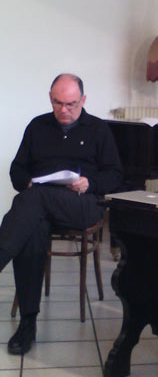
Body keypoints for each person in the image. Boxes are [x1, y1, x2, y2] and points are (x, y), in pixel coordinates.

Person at [2, 73, 123, 355]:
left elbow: (116, 175)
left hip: (81, 205)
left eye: (71, 104)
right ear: (50, 98)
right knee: (32, 230)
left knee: (31, 201)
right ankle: (28, 323)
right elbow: (17, 170)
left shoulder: (98, 129)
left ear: (83, 100)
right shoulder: (37, 126)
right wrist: (27, 182)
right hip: (41, 207)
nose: (64, 110)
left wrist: (90, 183)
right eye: (57, 103)